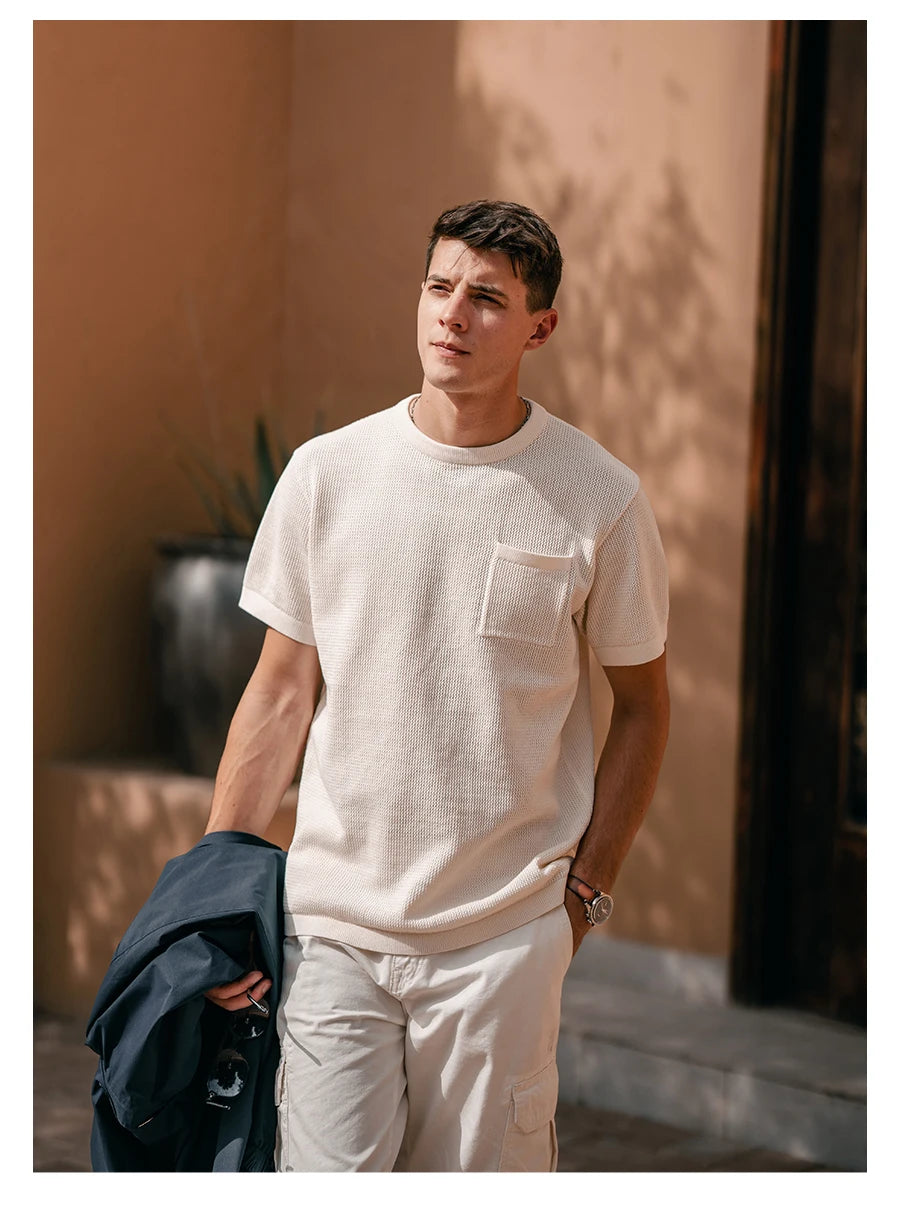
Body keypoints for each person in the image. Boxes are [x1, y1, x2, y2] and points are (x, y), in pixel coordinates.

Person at [203, 199, 670, 1173]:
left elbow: (645, 705)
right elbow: (281, 692)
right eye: (440, 286)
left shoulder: (600, 497)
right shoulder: (328, 475)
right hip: (334, 924)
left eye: (488, 298)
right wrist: (212, 897)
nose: (453, 314)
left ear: (540, 326)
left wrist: (584, 896)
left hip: (502, 936)